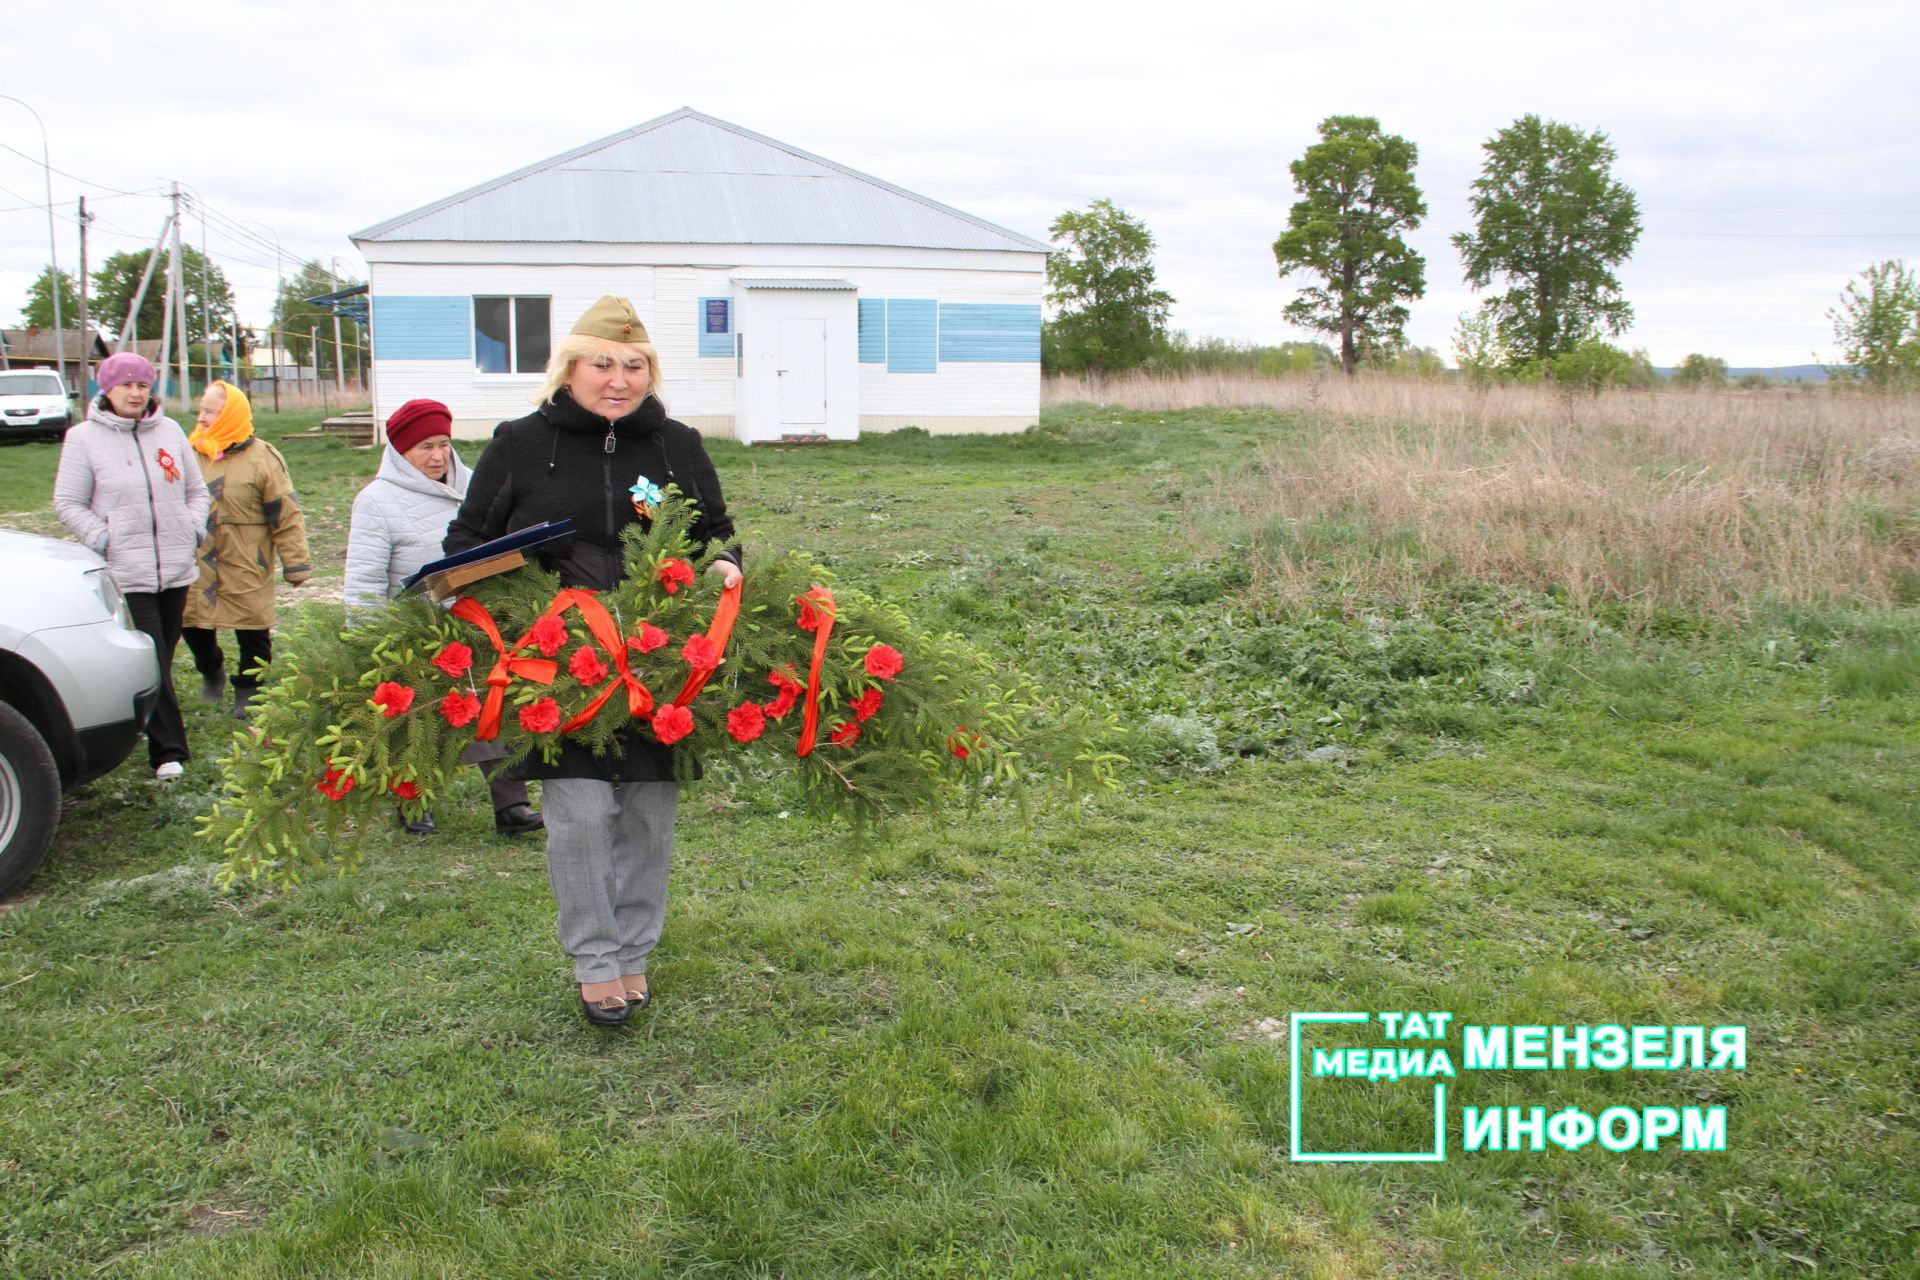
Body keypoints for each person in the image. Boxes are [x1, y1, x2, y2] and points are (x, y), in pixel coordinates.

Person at [443, 296, 742, 1026]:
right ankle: (595, 960)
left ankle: (634, 951)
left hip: (657, 663)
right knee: (577, 815)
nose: (620, 379)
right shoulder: (518, 442)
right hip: (560, 665)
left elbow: (716, 534)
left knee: (648, 816)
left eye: (635, 365)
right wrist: (498, 589)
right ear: (569, 368)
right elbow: (465, 543)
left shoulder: (678, 444)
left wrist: (726, 567)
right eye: (602, 364)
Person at [343, 396, 544, 839]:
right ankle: (414, 802)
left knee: (491, 706)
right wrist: (367, 639)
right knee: (420, 717)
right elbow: (364, 577)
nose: (436, 456)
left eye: (442, 444)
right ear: (400, 451)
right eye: (424, 447)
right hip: (414, 629)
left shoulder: (475, 485)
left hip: (473, 621)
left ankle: (511, 804)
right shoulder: (376, 502)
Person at [52, 352, 209, 781]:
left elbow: (196, 490)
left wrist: (193, 528)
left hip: (176, 566)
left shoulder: (170, 430)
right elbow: (67, 502)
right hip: (129, 570)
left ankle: (140, 717)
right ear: (107, 389)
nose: (136, 393)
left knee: (162, 656)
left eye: (143, 385)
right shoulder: (84, 438)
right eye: (126, 385)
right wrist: (105, 538)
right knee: (153, 659)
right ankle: (168, 753)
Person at [180, 381, 311, 717]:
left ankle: (249, 690)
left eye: (210, 411)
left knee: (252, 628)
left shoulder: (263, 458)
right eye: (201, 410)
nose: (203, 417)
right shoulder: (188, 452)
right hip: (197, 558)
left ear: (230, 414)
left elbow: (285, 512)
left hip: (246, 559)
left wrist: (295, 563)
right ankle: (211, 670)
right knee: (192, 623)